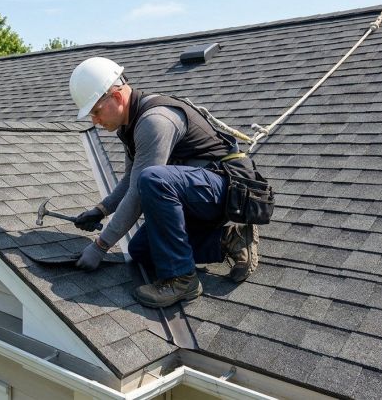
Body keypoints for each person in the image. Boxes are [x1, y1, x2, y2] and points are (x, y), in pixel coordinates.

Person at [69, 57, 259, 308]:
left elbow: (139, 190)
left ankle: (182, 279)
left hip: (226, 192)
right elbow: (130, 180)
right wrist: (101, 210)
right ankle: (229, 239)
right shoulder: (130, 125)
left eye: (95, 111)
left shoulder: (154, 121)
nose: (94, 120)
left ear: (115, 97)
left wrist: (101, 246)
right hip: (197, 196)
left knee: (153, 179)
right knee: (141, 251)